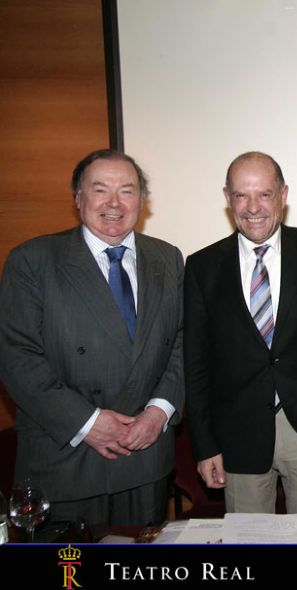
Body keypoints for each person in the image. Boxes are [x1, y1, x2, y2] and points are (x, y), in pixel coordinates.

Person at [0, 149, 184, 526]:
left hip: (145, 459)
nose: (114, 203)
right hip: (65, 460)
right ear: (78, 198)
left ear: (142, 201)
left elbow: (181, 342)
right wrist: (87, 422)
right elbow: (16, 357)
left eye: (127, 191)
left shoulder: (167, 259)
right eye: (100, 190)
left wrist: (159, 411)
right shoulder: (34, 261)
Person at [184, 151, 297, 514]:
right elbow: (196, 362)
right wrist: (204, 444)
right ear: (227, 198)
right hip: (238, 435)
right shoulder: (202, 267)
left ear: (283, 195)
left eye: (264, 194)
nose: (253, 207)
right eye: (241, 195)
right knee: (249, 540)